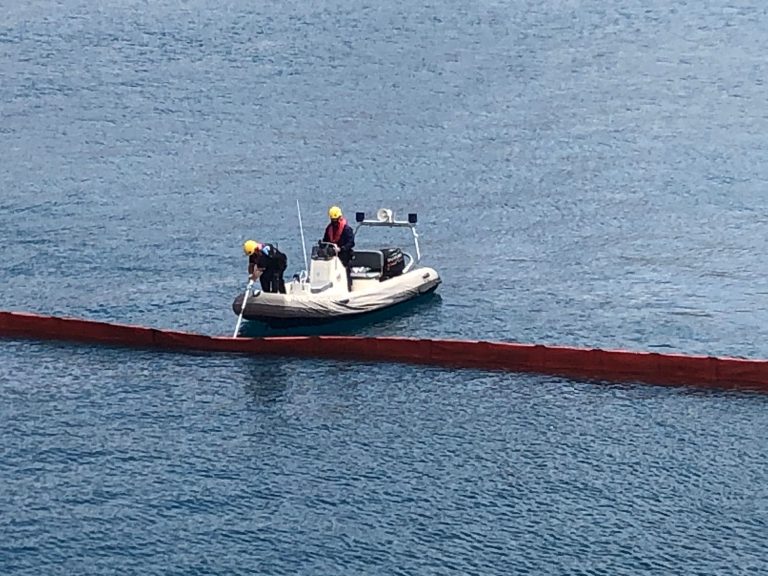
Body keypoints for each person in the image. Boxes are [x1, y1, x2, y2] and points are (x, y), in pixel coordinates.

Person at [322, 205, 355, 289]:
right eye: (333, 220)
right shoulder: (329, 229)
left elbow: (351, 243)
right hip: (332, 256)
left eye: (335, 220)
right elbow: (325, 240)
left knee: (345, 272)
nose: (334, 222)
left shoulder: (347, 229)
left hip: (345, 256)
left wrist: (341, 249)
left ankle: (348, 289)